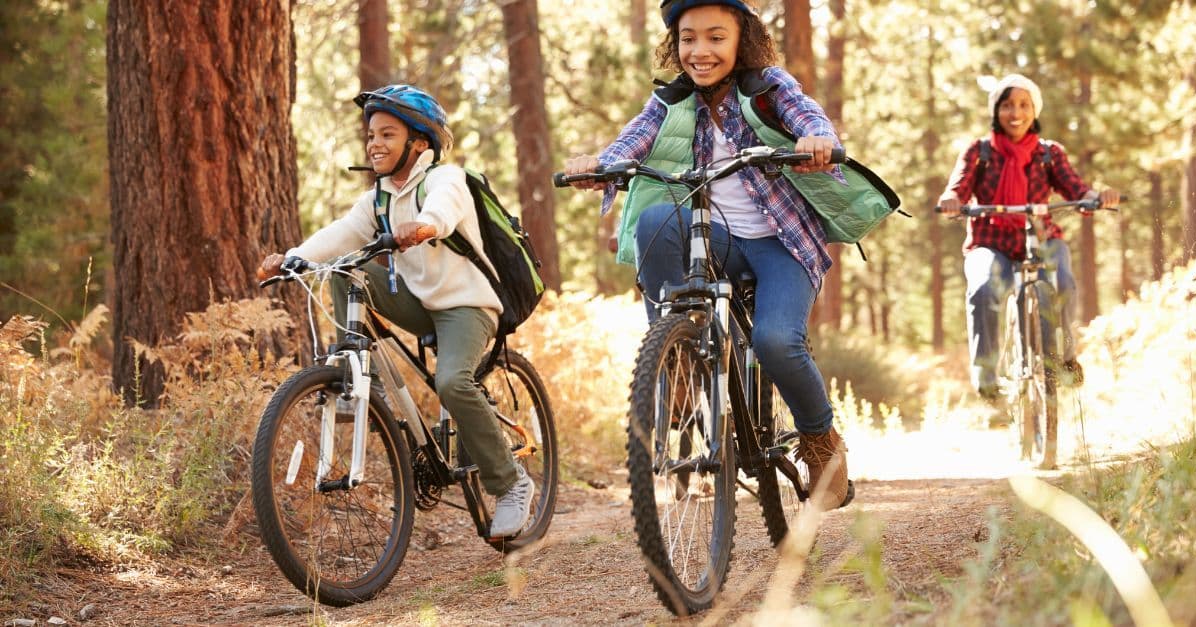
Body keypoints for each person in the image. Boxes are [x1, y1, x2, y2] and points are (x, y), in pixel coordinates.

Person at [562, 0, 851, 511]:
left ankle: (821, 442)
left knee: (776, 341)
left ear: (743, 40)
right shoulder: (670, 101)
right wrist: (600, 166)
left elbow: (808, 116)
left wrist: (818, 141)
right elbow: (631, 142)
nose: (700, 50)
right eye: (688, 38)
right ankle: (677, 354)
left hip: (779, 242)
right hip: (712, 238)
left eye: (716, 37)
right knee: (653, 222)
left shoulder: (769, 87)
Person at [258, 84, 534, 538]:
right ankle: (353, 368)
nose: (374, 143)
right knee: (346, 270)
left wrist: (424, 226)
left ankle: (510, 485)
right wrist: (293, 257)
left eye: (388, 134)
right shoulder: (378, 199)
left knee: (451, 382)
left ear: (419, 143)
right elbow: (342, 233)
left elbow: (443, 212)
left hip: (467, 305)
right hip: (420, 303)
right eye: (370, 135)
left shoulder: (447, 179)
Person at [937, 73, 1120, 401]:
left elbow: (1075, 188)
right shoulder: (979, 152)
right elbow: (959, 186)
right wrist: (952, 200)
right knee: (983, 289)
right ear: (996, 111)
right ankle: (986, 370)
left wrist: (1095, 196)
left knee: (1061, 282)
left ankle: (1063, 359)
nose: (1015, 112)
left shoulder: (1049, 154)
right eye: (1007, 105)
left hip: (1042, 237)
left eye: (1024, 105)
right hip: (990, 241)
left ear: (1035, 111)